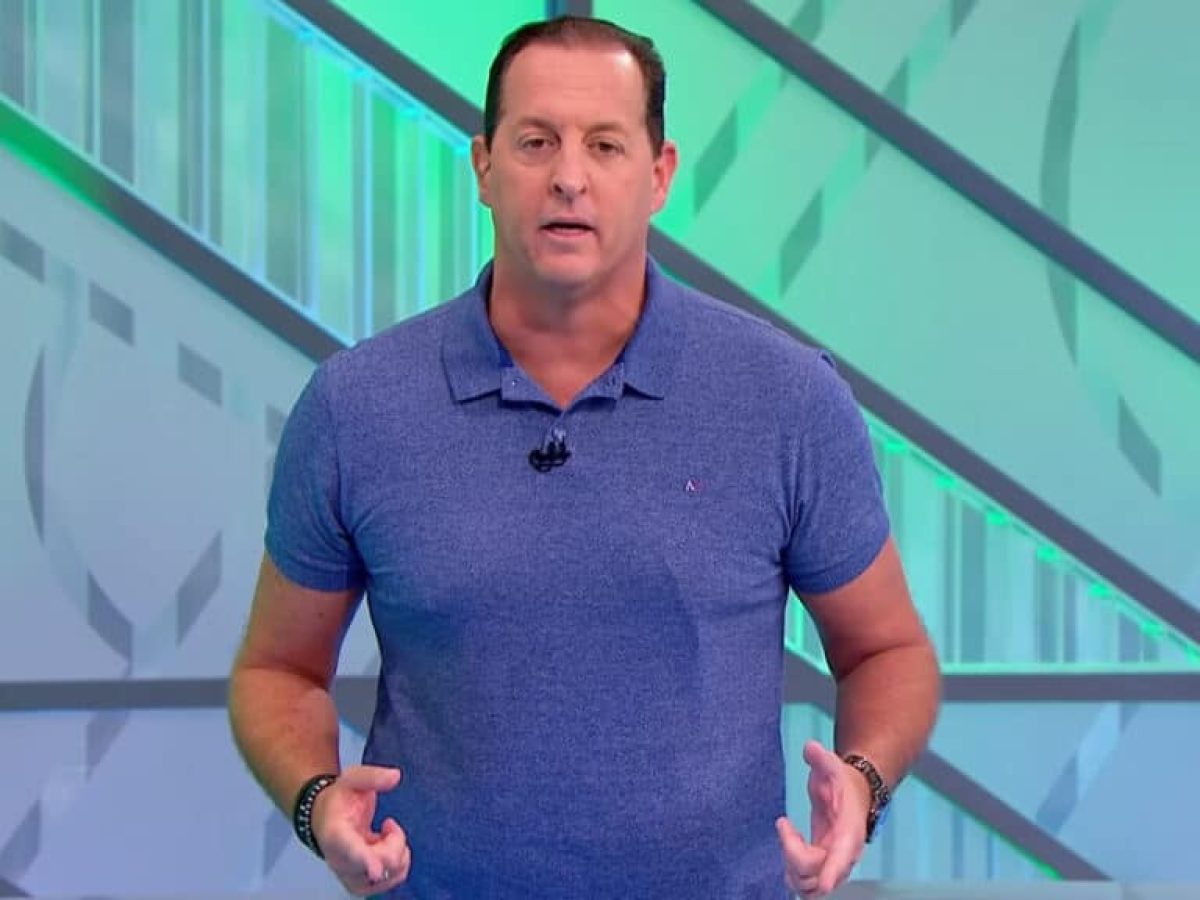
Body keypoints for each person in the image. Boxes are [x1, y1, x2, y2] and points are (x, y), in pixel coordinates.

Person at [228, 15, 940, 899]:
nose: (569, 176)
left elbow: (888, 652)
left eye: (605, 145)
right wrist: (317, 802)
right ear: (484, 167)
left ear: (660, 174)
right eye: (536, 142)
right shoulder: (355, 407)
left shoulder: (788, 400)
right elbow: (277, 671)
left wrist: (863, 784)